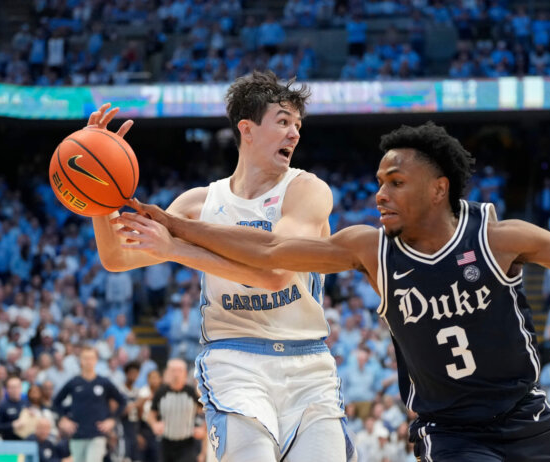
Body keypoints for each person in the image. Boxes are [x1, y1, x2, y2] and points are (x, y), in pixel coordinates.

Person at [116, 122, 550, 461]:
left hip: (527, 421)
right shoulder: (366, 247)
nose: (379, 192)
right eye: (378, 181)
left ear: (439, 187)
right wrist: (176, 223)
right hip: (450, 432)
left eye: (395, 182)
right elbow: (268, 248)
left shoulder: (498, 238)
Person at [88, 70, 351, 462]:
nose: (295, 134)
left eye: (298, 125)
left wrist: (177, 248)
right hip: (234, 360)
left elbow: (275, 275)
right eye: (283, 122)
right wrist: (98, 194)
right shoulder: (199, 202)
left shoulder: (306, 191)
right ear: (247, 129)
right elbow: (117, 257)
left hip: (307, 363)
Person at [52, 346, 125, 462]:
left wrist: (112, 419)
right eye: (85, 358)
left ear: (96, 360)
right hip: (77, 434)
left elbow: (122, 401)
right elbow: (55, 403)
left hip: (97, 433)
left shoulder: (103, 382)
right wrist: (62, 419)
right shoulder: (74, 382)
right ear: (80, 360)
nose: (88, 361)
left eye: (91, 358)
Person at [148, 359, 204, 462]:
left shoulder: (191, 392)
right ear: (167, 373)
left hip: (187, 443)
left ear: (185, 373)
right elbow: (151, 414)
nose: (176, 374)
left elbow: (207, 412)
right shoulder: (161, 392)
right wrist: (154, 424)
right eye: (173, 370)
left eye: (180, 370)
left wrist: (203, 429)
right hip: (166, 442)